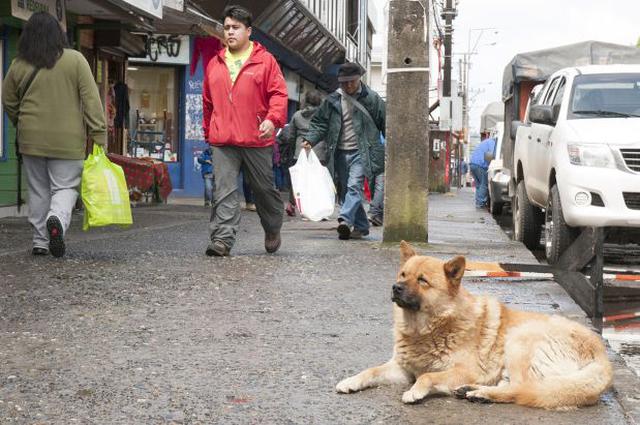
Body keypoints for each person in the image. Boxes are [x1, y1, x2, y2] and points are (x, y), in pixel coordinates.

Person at [2, 12, 107, 258]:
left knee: (38, 190)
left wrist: (21, 121)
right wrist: (99, 135)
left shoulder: (19, 63)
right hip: (67, 140)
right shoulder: (76, 60)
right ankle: (56, 218)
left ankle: (40, 241)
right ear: (59, 34)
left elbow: (7, 100)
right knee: (66, 187)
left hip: (31, 139)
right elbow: (91, 101)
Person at [202, 5, 288, 256]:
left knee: (263, 190)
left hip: (255, 138)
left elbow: (279, 95)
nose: (230, 32)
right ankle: (222, 240)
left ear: (248, 31)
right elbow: (208, 103)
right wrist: (209, 132)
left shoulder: (265, 61)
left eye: (235, 27)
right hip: (223, 140)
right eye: (226, 27)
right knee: (224, 190)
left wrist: (272, 120)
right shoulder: (214, 63)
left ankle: (272, 227)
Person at [302, 62, 385, 240]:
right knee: (347, 191)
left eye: (352, 81)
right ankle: (362, 226)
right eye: (344, 82)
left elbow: (385, 123)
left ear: (359, 79)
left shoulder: (372, 99)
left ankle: (344, 219)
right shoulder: (332, 100)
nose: (348, 85)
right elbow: (320, 123)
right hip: (338, 152)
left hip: (362, 151)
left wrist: (390, 151)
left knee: (354, 187)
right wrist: (310, 139)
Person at [284, 89, 325, 216]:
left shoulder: (297, 115)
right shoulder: (324, 115)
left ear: (305, 101)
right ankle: (314, 207)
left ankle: (291, 204)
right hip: (319, 152)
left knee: (297, 179)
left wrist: (292, 148)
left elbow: (290, 135)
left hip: (299, 150)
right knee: (316, 180)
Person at [469, 136, 496, 209]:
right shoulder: (492, 142)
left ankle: (478, 202)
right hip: (480, 165)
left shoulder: (485, 142)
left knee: (478, 185)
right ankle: (480, 203)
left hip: (472, 164)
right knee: (483, 184)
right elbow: (492, 155)